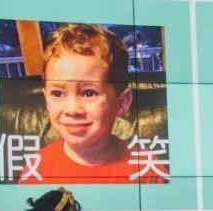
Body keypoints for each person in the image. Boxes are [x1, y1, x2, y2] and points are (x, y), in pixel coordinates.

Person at [18, 24, 166, 184]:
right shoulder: (37, 170)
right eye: (58, 93)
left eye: (89, 93)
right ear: (46, 100)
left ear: (122, 102)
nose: (72, 110)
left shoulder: (146, 169)